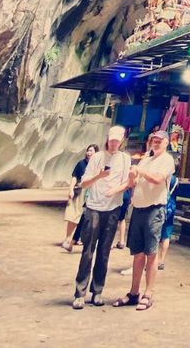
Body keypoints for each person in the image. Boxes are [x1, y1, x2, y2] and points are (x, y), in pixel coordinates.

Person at [113, 129, 175, 311]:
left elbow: (157, 179)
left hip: (154, 210)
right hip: (138, 210)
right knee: (138, 253)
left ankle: (148, 293)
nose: (155, 142)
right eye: (153, 139)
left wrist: (140, 170)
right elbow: (133, 183)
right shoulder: (146, 160)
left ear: (167, 143)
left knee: (151, 253)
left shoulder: (167, 160)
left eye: (159, 140)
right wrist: (132, 175)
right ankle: (133, 292)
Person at [72, 126, 131, 309]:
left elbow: (127, 182)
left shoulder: (124, 159)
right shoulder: (97, 157)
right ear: (107, 139)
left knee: (104, 252)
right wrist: (100, 175)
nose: (114, 143)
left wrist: (117, 190)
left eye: (117, 140)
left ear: (121, 141)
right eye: (111, 140)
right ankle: (80, 292)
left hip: (113, 208)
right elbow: (84, 183)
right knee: (88, 250)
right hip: (94, 208)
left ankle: (97, 291)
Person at [62, 144, 98, 252]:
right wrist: (71, 189)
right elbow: (75, 177)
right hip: (80, 191)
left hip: (91, 192)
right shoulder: (81, 164)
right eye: (88, 150)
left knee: (84, 217)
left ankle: (78, 238)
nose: (89, 153)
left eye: (91, 151)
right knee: (73, 214)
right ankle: (68, 238)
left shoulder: (97, 165)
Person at [157, 172, 179, 271]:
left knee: (155, 234)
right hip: (171, 207)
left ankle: (153, 261)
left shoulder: (162, 178)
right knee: (166, 235)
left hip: (160, 206)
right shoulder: (176, 180)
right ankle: (161, 261)